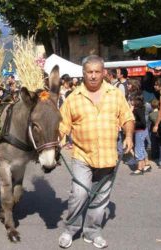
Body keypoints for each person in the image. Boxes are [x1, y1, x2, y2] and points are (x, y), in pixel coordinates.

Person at [58, 55, 135, 249]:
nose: (93, 76)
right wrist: (56, 142)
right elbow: (62, 126)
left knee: (100, 198)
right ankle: (70, 229)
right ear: (83, 73)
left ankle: (92, 232)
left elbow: (127, 117)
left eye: (96, 72)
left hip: (108, 156)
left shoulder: (115, 94)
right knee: (79, 193)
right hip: (82, 155)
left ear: (103, 73)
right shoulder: (73, 98)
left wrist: (128, 136)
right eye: (89, 72)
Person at [130, 93, 151, 175]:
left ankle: (140, 168)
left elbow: (143, 123)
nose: (130, 101)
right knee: (141, 147)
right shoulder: (140, 108)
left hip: (140, 131)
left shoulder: (137, 110)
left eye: (132, 100)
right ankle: (147, 164)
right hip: (141, 131)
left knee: (138, 149)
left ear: (136, 101)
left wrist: (134, 123)